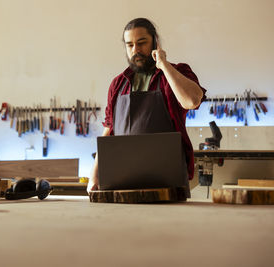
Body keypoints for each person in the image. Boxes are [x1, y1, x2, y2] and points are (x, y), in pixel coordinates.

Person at [87, 18, 206, 194]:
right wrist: (94, 175)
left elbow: (192, 100)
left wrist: (164, 65)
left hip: (168, 178)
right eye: (130, 45)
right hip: (123, 178)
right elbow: (108, 130)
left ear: (155, 43)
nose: (135, 50)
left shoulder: (175, 73)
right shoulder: (118, 84)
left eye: (142, 43)